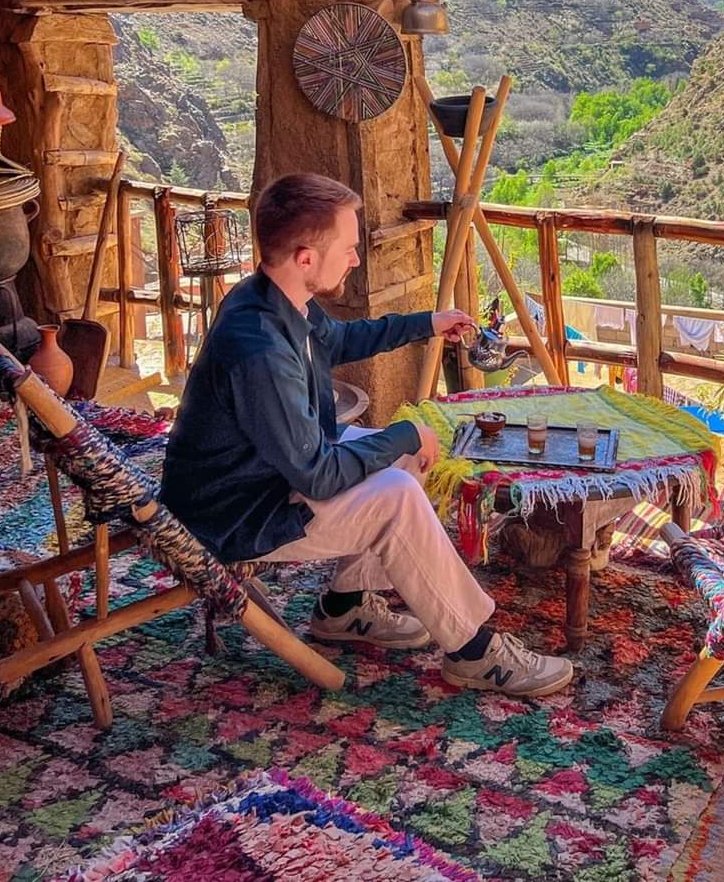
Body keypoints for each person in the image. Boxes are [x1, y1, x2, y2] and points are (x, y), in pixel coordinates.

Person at [159, 172, 573, 698]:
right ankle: (473, 651)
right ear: (306, 257)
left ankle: (345, 607)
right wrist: (404, 434)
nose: (355, 259)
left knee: (398, 460)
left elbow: (342, 338)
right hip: (233, 514)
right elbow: (318, 473)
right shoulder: (258, 346)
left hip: (262, 478)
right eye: (348, 248)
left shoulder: (273, 299)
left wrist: (427, 322)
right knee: (396, 489)